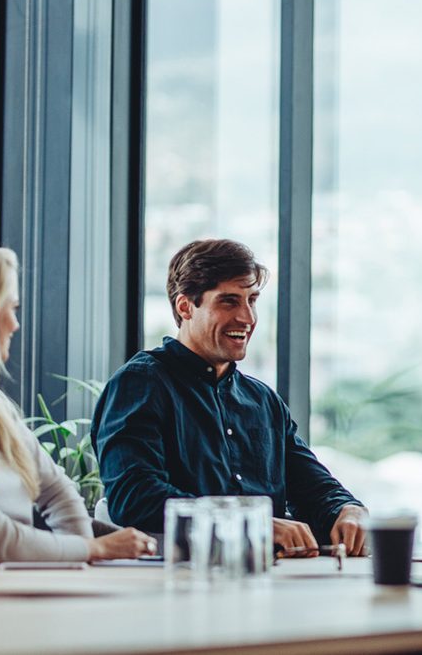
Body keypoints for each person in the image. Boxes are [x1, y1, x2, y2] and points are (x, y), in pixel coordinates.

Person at [92, 239, 367, 557]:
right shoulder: (140, 384)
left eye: (252, 300)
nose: (247, 318)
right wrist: (251, 523)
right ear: (185, 307)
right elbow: (135, 498)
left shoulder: (262, 401)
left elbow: (312, 485)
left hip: (269, 581)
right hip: (175, 583)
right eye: (229, 302)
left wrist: (347, 509)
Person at [0, 238, 154, 565]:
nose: (15, 323)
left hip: (12, 584)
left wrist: (78, 559)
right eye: (9, 308)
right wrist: (93, 549)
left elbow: (56, 489)